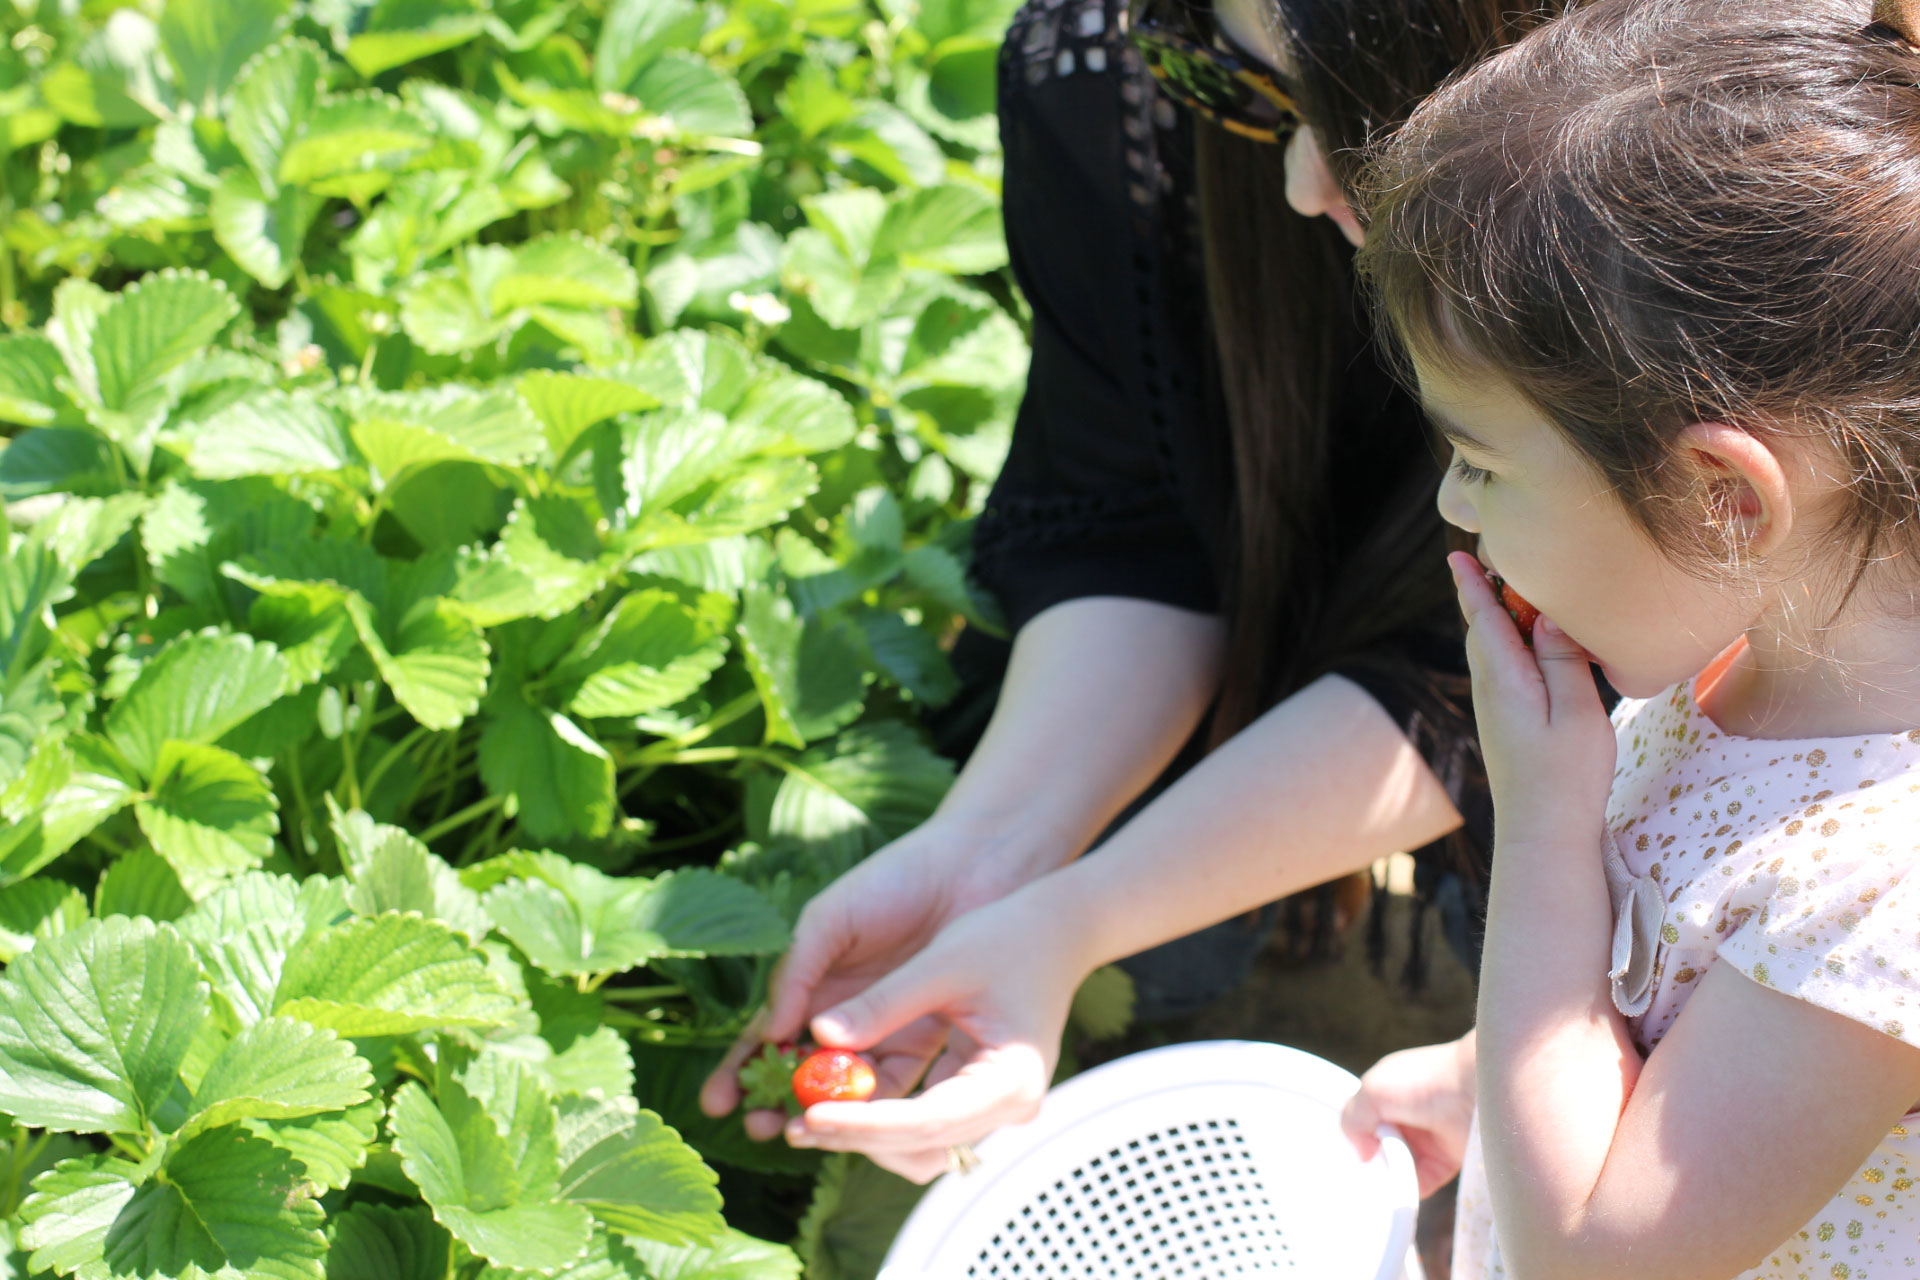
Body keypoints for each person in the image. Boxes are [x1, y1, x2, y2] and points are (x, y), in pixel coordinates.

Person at [702, 0, 1564, 1182]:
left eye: (1366, 114)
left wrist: (1074, 916)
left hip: (1600, 686)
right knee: (1174, 951)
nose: (1308, 180)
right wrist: (1001, 860)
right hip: (1404, 628)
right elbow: (1138, 517)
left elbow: (1548, 653)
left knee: (1601, 936)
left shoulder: (1748, 191)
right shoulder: (1119, 68)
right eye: (1243, 83)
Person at [1338, 1, 1920, 1274]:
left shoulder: (1884, 884)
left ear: (1727, 500)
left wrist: (1542, 828)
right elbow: (1657, 1000)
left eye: (1482, 461)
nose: (1450, 502)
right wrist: (1484, 1078)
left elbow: (1595, 1255)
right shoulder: (1733, 657)